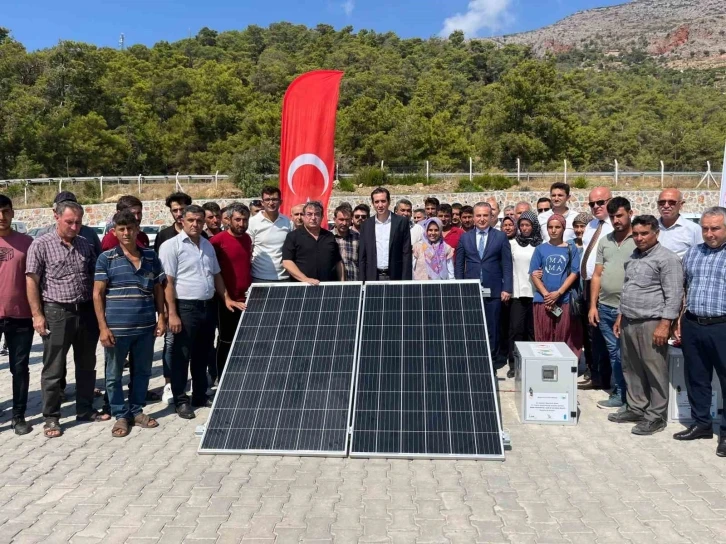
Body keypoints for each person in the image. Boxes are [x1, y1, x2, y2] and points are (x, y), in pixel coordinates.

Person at [26, 200, 111, 438]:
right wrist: (37, 315)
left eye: (78, 222)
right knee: (53, 368)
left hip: (85, 311)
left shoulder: (85, 244)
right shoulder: (41, 244)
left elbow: (96, 277)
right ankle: (51, 417)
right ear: (57, 218)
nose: (74, 227)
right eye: (69, 222)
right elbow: (31, 280)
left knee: (86, 365)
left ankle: (85, 409)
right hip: (57, 312)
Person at [160, 205, 245, 420]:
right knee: (181, 355)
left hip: (207, 306)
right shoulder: (171, 246)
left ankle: (199, 395)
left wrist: (226, 298)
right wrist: (172, 314)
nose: (195, 224)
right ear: (182, 221)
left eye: (199, 220)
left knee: (202, 354)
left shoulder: (207, 245)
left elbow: (216, 275)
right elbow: (167, 282)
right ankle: (181, 400)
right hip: (185, 308)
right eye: (191, 220)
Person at [93, 210, 166, 438]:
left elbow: (158, 288)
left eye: (130, 228)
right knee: (113, 375)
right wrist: (103, 328)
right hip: (116, 330)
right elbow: (97, 294)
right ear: (114, 232)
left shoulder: (151, 257)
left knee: (142, 372)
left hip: (145, 328)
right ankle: (120, 415)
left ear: (137, 229)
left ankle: (136, 411)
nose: (126, 233)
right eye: (121, 229)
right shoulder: (106, 258)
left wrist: (162, 317)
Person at [609, 215, 683, 435]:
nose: (639, 238)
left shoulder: (667, 259)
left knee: (654, 369)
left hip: (652, 322)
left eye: (644, 234)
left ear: (656, 233)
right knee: (631, 367)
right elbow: (627, 288)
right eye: (636, 234)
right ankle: (636, 407)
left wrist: (665, 324)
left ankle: (656, 416)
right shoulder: (634, 256)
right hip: (629, 320)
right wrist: (620, 315)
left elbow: (674, 295)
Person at [674, 207, 726, 455]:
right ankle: (702, 423)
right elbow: (683, 288)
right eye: (705, 228)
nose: (709, 233)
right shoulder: (693, 252)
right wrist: (678, 320)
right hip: (693, 324)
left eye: (715, 228)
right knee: (696, 377)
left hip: (722, 326)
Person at [588, 197, 635, 409]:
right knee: (614, 353)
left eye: (620, 216)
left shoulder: (639, 240)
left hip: (629, 310)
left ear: (630, 214)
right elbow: (597, 275)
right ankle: (620, 394)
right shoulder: (605, 241)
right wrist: (593, 305)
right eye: (613, 217)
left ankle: (632, 397)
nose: (616, 220)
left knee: (628, 354)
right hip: (605, 307)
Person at [455, 202, 513, 357]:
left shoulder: (500, 237)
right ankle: (474, 357)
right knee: (473, 325)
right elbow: (459, 265)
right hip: (470, 290)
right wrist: (459, 286)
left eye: (485, 215)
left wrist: (507, 288)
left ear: (491, 217)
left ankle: (491, 359)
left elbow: (507, 264)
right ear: (474, 217)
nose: (482, 219)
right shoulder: (465, 237)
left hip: (494, 290)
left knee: (493, 326)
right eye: (478, 215)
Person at [0, 195, 35, 435]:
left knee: (19, 368)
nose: (1, 217)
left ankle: (18, 415)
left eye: (5, 211)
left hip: (21, 315)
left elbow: (36, 278)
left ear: (12, 213)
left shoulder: (27, 243)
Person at [529, 214, 582, 356]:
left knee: (563, 336)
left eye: (557, 227)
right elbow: (533, 274)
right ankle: (545, 364)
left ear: (563, 228)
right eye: (550, 227)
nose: (553, 230)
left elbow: (574, 273)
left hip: (564, 299)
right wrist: (547, 296)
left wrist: (558, 293)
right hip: (543, 300)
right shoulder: (540, 249)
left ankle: (563, 366)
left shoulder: (571, 249)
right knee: (543, 337)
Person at [211, 203, 252, 377]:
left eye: (245, 220)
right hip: (226, 301)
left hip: (247, 300)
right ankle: (221, 377)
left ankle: (240, 376)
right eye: (238, 220)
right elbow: (213, 272)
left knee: (244, 340)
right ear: (228, 220)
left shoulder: (247, 239)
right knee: (226, 340)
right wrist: (226, 297)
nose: (241, 223)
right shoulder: (217, 241)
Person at [580, 187, 615, 391]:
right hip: (587, 284)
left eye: (600, 202)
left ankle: (605, 377)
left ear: (610, 200)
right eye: (592, 203)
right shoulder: (592, 225)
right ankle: (594, 374)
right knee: (590, 333)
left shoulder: (615, 226)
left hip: (605, 286)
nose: (596, 207)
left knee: (604, 333)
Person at [506, 211, 542, 378]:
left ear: (534, 226)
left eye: (528, 225)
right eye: (522, 225)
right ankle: (514, 363)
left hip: (536, 293)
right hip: (517, 292)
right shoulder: (512, 244)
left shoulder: (541, 244)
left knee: (532, 330)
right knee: (516, 329)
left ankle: (531, 362)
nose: (525, 228)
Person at [359, 187, 412, 281]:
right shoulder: (366, 225)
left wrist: (406, 281)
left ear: (389, 202)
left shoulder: (401, 222)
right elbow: (362, 256)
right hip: (373, 277)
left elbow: (406, 254)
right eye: (376, 202)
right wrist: (362, 281)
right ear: (372, 203)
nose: (380, 205)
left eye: (383, 201)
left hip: (395, 277)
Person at [282, 201, 343, 284]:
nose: (313, 218)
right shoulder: (293, 236)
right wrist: (305, 279)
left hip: (328, 286)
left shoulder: (329, 236)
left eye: (317, 214)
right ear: (303, 216)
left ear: (322, 217)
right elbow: (287, 262)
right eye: (309, 214)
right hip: (302, 287)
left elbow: (338, 262)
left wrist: (342, 283)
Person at [247, 186, 294, 283]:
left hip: (284, 277)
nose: (271, 203)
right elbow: (249, 249)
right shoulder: (252, 222)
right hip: (259, 277)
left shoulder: (288, 222)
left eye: (274, 199)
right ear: (262, 202)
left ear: (280, 202)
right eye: (267, 199)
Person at [34, 191, 102, 257]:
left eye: (71, 207)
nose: (74, 227)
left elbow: (99, 259)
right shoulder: (42, 236)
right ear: (55, 212)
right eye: (69, 222)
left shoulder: (89, 233)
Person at [656, 189, 701, 258]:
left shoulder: (694, 229)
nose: (666, 206)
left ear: (681, 205)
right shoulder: (650, 228)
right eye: (662, 202)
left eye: (672, 202)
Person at [333, 205, 360, 281]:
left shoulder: (358, 238)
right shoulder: (328, 238)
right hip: (333, 284)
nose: (344, 223)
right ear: (335, 219)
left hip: (354, 282)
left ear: (351, 220)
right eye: (341, 219)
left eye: (347, 220)